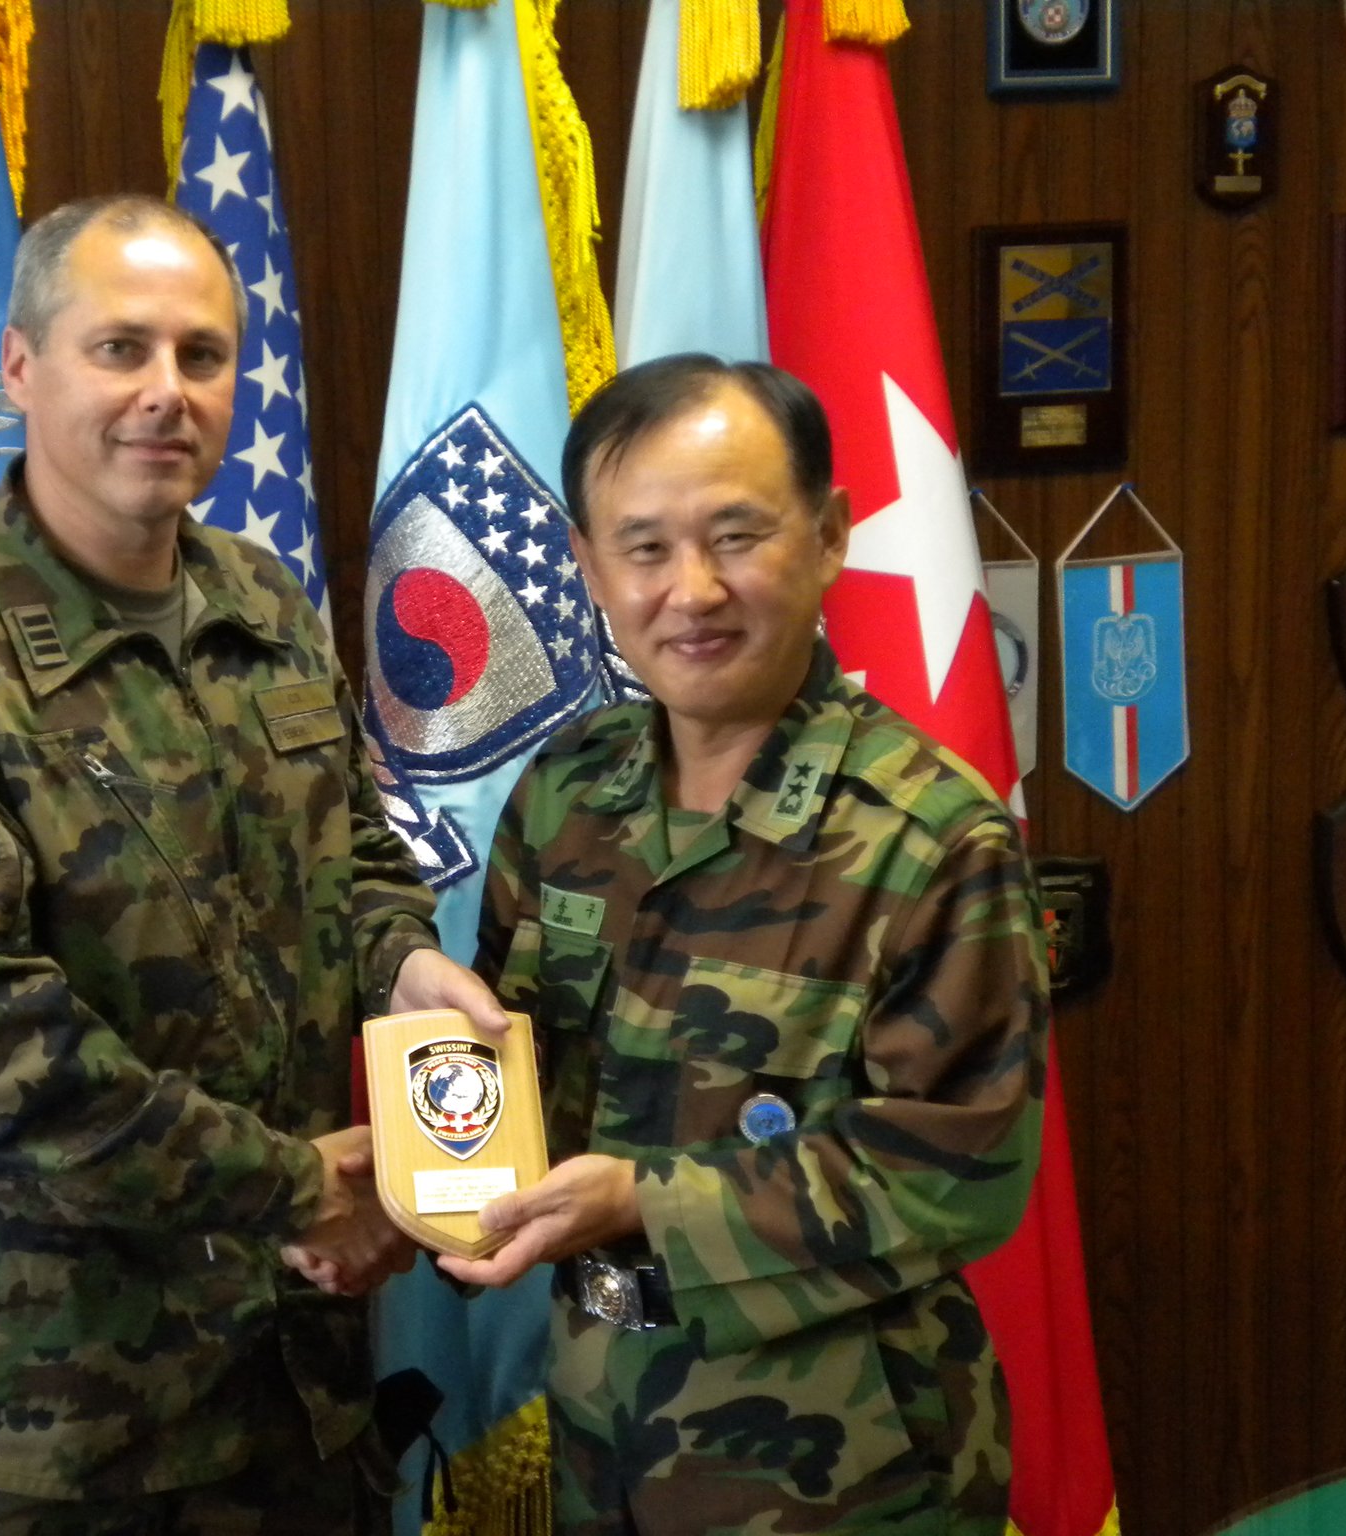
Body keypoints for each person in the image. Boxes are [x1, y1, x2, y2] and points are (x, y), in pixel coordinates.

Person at [0, 193, 502, 1536]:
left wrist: (404, 962)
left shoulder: (263, 605)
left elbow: (352, 853)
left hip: (291, 1395)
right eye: (119, 348)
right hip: (41, 1434)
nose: (165, 392)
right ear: (21, 367)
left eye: (202, 354)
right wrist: (298, 1187)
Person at [439, 355, 1047, 1535]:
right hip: (598, 1429)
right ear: (587, 568)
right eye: (644, 548)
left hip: (841, 1465)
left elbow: (953, 1175)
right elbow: (515, 1073)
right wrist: (403, 1177)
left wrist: (643, 1201)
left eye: (735, 536)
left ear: (827, 536)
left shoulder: (929, 836)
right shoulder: (565, 795)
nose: (693, 590)